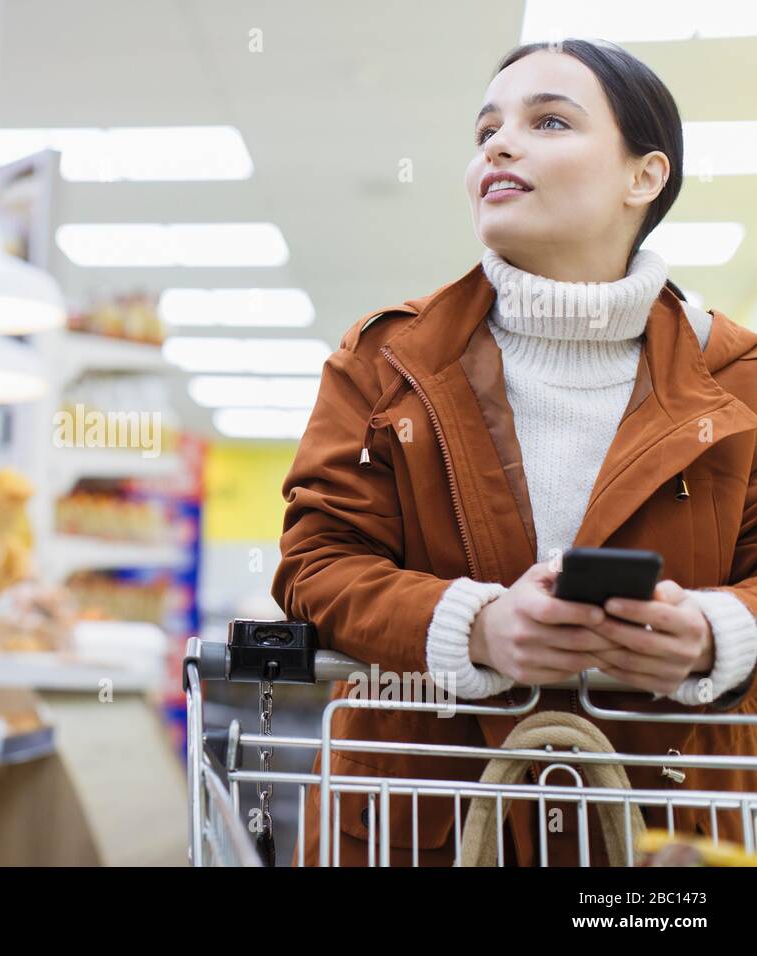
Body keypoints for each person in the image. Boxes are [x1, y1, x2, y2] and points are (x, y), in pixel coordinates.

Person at [272, 37, 757, 867]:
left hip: (657, 840)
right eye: (487, 129)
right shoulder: (384, 360)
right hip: (419, 821)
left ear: (645, 176)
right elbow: (315, 563)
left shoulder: (739, 379)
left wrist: (720, 632)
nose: (498, 144)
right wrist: (479, 627)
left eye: (550, 121)